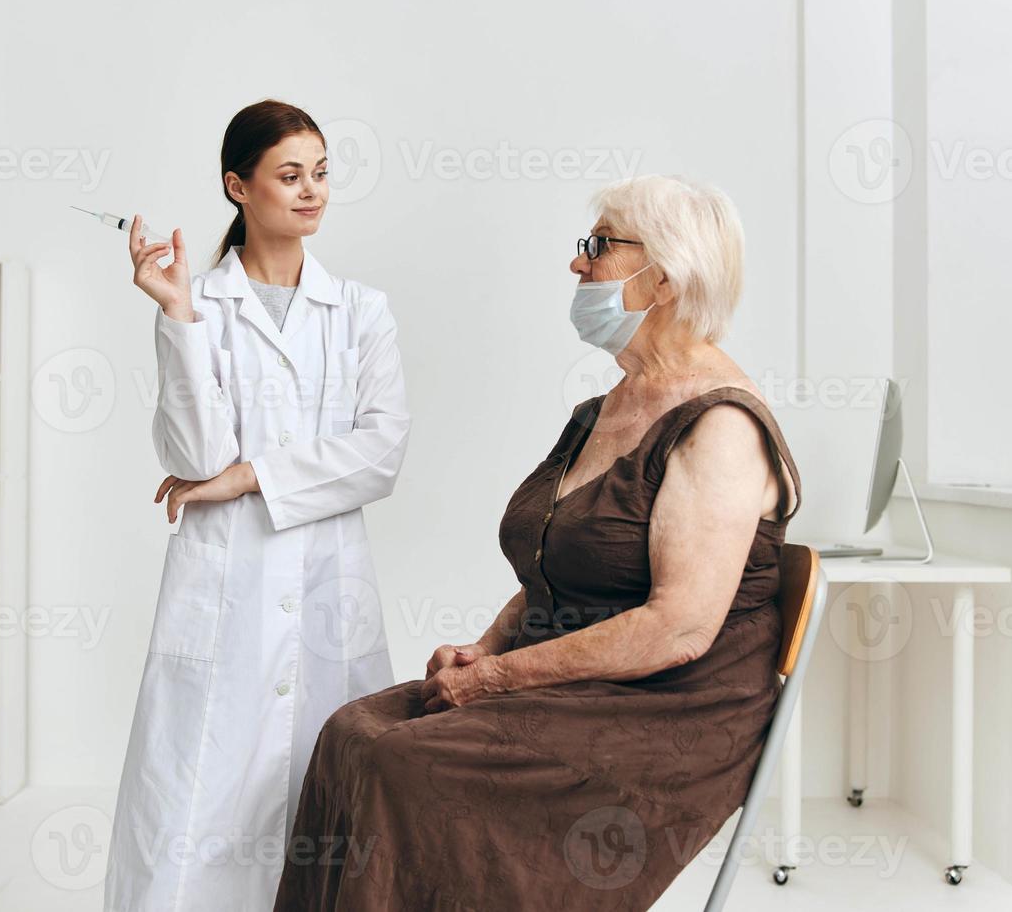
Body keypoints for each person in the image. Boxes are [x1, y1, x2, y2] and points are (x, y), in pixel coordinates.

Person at [273, 174, 801, 910]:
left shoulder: (720, 427)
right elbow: (563, 570)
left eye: (599, 245)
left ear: (665, 277)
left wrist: (495, 680)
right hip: (580, 678)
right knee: (351, 731)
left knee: (404, 762)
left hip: (670, 709)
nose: (577, 265)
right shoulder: (603, 409)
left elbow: (676, 628)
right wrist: (489, 648)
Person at [105, 99, 412, 912]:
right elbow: (195, 457)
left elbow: (380, 454)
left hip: (327, 596)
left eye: (320, 174)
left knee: (327, 799)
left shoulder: (360, 312)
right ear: (238, 187)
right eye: (289, 175)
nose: (311, 192)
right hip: (224, 595)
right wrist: (174, 315)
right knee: (196, 802)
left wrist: (248, 479)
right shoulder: (197, 302)